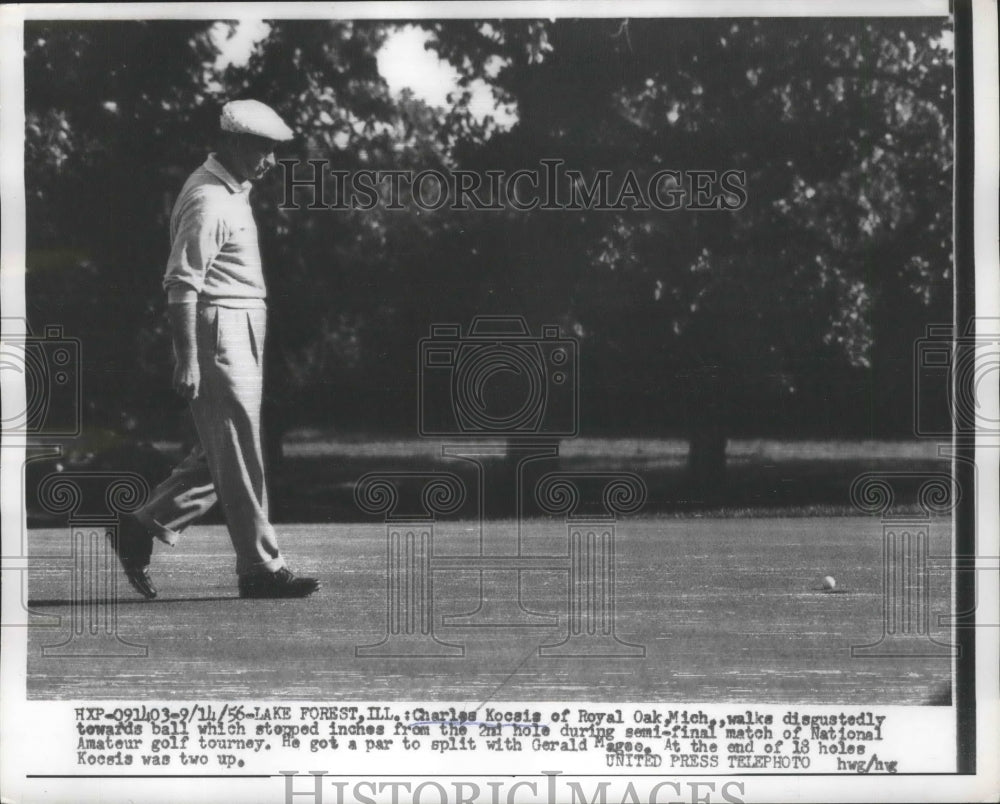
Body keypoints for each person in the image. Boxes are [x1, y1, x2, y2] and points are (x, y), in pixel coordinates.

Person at [110, 100, 319, 600]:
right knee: (238, 451)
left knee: (222, 454)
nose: (270, 161)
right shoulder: (208, 198)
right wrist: (188, 358)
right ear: (235, 143)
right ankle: (261, 567)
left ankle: (141, 525)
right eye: (264, 150)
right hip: (220, 332)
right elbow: (181, 284)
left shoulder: (231, 191)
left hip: (238, 329)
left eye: (273, 151)